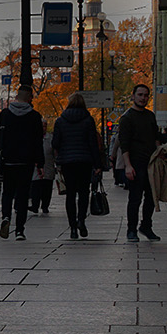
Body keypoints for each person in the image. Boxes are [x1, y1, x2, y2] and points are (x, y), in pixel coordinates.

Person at [52, 92, 103, 240]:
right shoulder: (88, 120)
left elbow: (55, 143)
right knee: (83, 193)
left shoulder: (60, 121)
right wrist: (98, 164)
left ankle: (73, 228)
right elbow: (93, 144)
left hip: (67, 162)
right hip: (84, 161)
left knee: (70, 194)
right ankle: (81, 220)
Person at [0, 85, 44, 240]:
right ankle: (19, 230)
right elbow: (38, 141)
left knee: (8, 192)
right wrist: (40, 163)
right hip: (26, 161)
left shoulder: (5, 114)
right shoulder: (34, 116)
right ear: (29, 97)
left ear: (16, 97)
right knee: (23, 195)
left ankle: (6, 217)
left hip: (8, 160)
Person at [116, 84, 161, 242]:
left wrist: (160, 155)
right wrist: (128, 165)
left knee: (151, 197)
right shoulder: (127, 118)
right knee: (135, 198)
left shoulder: (150, 116)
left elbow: (156, 138)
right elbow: (124, 144)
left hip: (151, 164)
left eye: (146, 95)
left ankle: (146, 226)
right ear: (133, 96)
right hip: (135, 163)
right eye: (140, 95)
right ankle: (131, 230)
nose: (143, 98)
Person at [29, 129, 56, 215]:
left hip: (48, 166)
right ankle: (35, 206)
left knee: (47, 188)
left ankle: (45, 206)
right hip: (36, 167)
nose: (43, 128)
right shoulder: (33, 137)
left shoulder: (50, 138)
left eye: (44, 126)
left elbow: (54, 152)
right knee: (35, 187)